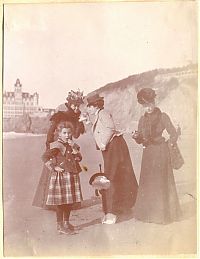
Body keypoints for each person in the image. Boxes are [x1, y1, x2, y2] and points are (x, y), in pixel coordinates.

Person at [86, 93, 138, 224]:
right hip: (113, 147)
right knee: (117, 174)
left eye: (89, 106)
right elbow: (102, 128)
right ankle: (120, 206)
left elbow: (110, 128)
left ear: (95, 106)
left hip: (113, 147)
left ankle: (112, 210)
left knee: (111, 175)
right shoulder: (99, 115)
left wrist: (103, 143)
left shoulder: (103, 113)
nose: (88, 109)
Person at [132, 88, 182, 224]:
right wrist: (136, 137)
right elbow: (141, 140)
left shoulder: (163, 116)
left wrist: (170, 144)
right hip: (148, 153)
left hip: (161, 152)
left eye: (150, 104)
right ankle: (148, 215)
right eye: (145, 106)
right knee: (148, 183)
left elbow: (173, 133)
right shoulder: (142, 120)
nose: (148, 108)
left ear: (154, 101)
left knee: (161, 183)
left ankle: (162, 216)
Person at [32, 90, 84, 208]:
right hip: (57, 144)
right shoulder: (60, 114)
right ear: (69, 104)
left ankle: (70, 201)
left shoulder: (77, 115)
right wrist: (49, 145)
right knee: (56, 169)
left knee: (69, 170)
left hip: (67, 144)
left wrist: (80, 122)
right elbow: (51, 131)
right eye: (74, 105)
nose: (76, 107)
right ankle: (53, 203)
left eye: (78, 105)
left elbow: (75, 135)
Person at [41, 121, 83, 234]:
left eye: (69, 133)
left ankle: (66, 223)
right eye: (64, 133)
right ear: (59, 133)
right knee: (61, 202)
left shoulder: (72, 144)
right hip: (61, 176)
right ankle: (60, 226)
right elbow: (45, 157)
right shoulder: (56, 146)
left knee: (69, 201)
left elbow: (79, 157)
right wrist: (54, 167)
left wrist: (76, 152)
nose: (67, 135)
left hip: (72, 175)